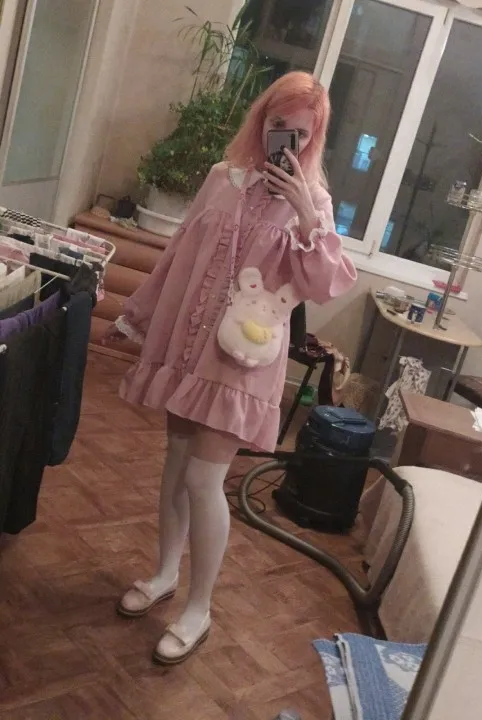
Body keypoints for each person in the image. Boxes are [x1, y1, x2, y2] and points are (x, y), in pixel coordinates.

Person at [104, 71, 357, 665]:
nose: (284, 139)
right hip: (188, 346)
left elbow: (326, 285)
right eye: (277, 124)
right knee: (175, 467)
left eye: (300, 133)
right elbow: (178, 256)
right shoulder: (222, 178)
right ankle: (165, 573)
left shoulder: (314, 204)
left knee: (203, 480)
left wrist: (305, 213)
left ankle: (199, 608)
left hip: (242, 358)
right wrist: (138, 315)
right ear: (261, 119)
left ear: (314, 138)